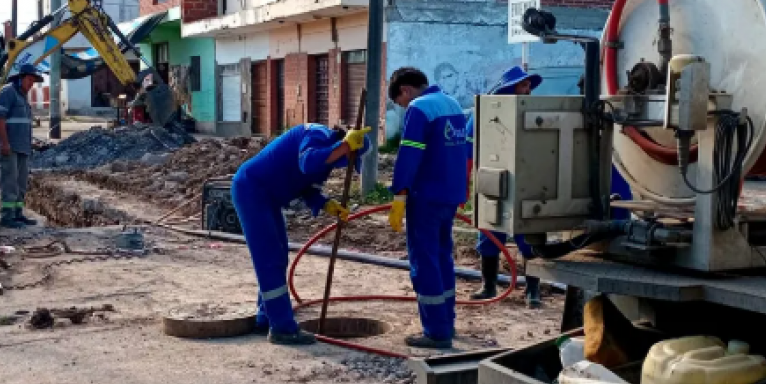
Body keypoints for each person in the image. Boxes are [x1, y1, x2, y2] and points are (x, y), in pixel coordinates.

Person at [233, 123, 372, 345]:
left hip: (269, 198)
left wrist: (326, 204)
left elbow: (309, 187)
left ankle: (266, 316)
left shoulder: (328, 158)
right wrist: (344, 146)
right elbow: (307, 163)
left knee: (278, 255)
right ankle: (282, 329)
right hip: (252, 190)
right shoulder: (316, 134)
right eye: (349, 159)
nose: (343, 166)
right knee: (268, 259)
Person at [387, 67, 469, 349]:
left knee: (425, 263)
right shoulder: (453, 103)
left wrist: (399, 193)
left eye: (401, 103)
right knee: (443, 258)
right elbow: (461, 152)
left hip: (426, 196)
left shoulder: (420, 108)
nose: (403, 107)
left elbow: (409, 154)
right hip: (450, 194)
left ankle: (436, 332)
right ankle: (446, 321)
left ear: (406, 91)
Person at [467, 66, 544, 308]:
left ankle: (533, 290)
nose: (527, 90)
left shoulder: (535, 112)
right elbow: (469, 148)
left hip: (527, 182)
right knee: (489, 235)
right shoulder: (484, 113)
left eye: (528, 86)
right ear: (509, 88)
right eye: (523, 86)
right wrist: (468, 180)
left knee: (529, 238)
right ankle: (488, 285)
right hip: (493, 180)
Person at [0, 63, 41, 229]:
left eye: (34, 81)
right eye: (30, 80)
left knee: (20, 183)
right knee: (9, 182)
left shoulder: (23, 97)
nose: (31, 84)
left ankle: (18, 214)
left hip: (22, 147)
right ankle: (7, 217)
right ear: (21, 78)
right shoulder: (8, 92)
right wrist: (4, 143)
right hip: (9, 146)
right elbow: (0, 118)